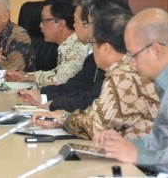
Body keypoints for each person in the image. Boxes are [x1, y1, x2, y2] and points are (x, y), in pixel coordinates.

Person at [32, 9, 159, 140]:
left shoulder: (123, 74)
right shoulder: (128, 70)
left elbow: (95, 126)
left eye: (92, 43)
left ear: (106, 48)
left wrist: (63, 118)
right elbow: (98, 113)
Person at [18, 0, 131, 112]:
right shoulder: (95, 56)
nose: (74, 25)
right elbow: (81, 89)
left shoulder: (119, 66)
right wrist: (43, 96)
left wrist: (54, 108)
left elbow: (91, 102)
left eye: (85, 23)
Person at [94, 8, 168, 173]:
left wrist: (137, 156)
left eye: (133, 55)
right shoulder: (163, 85)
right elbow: (159, 142)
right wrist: (122, 144)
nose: (130, 62)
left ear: (156, 50)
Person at [5, 0, 90, 87]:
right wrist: (26, 76)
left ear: (61, 24)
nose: (41, 25)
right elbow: (56, 73)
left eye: (44, 20)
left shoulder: (78, 49)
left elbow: (60, 80)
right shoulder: (68, 45)